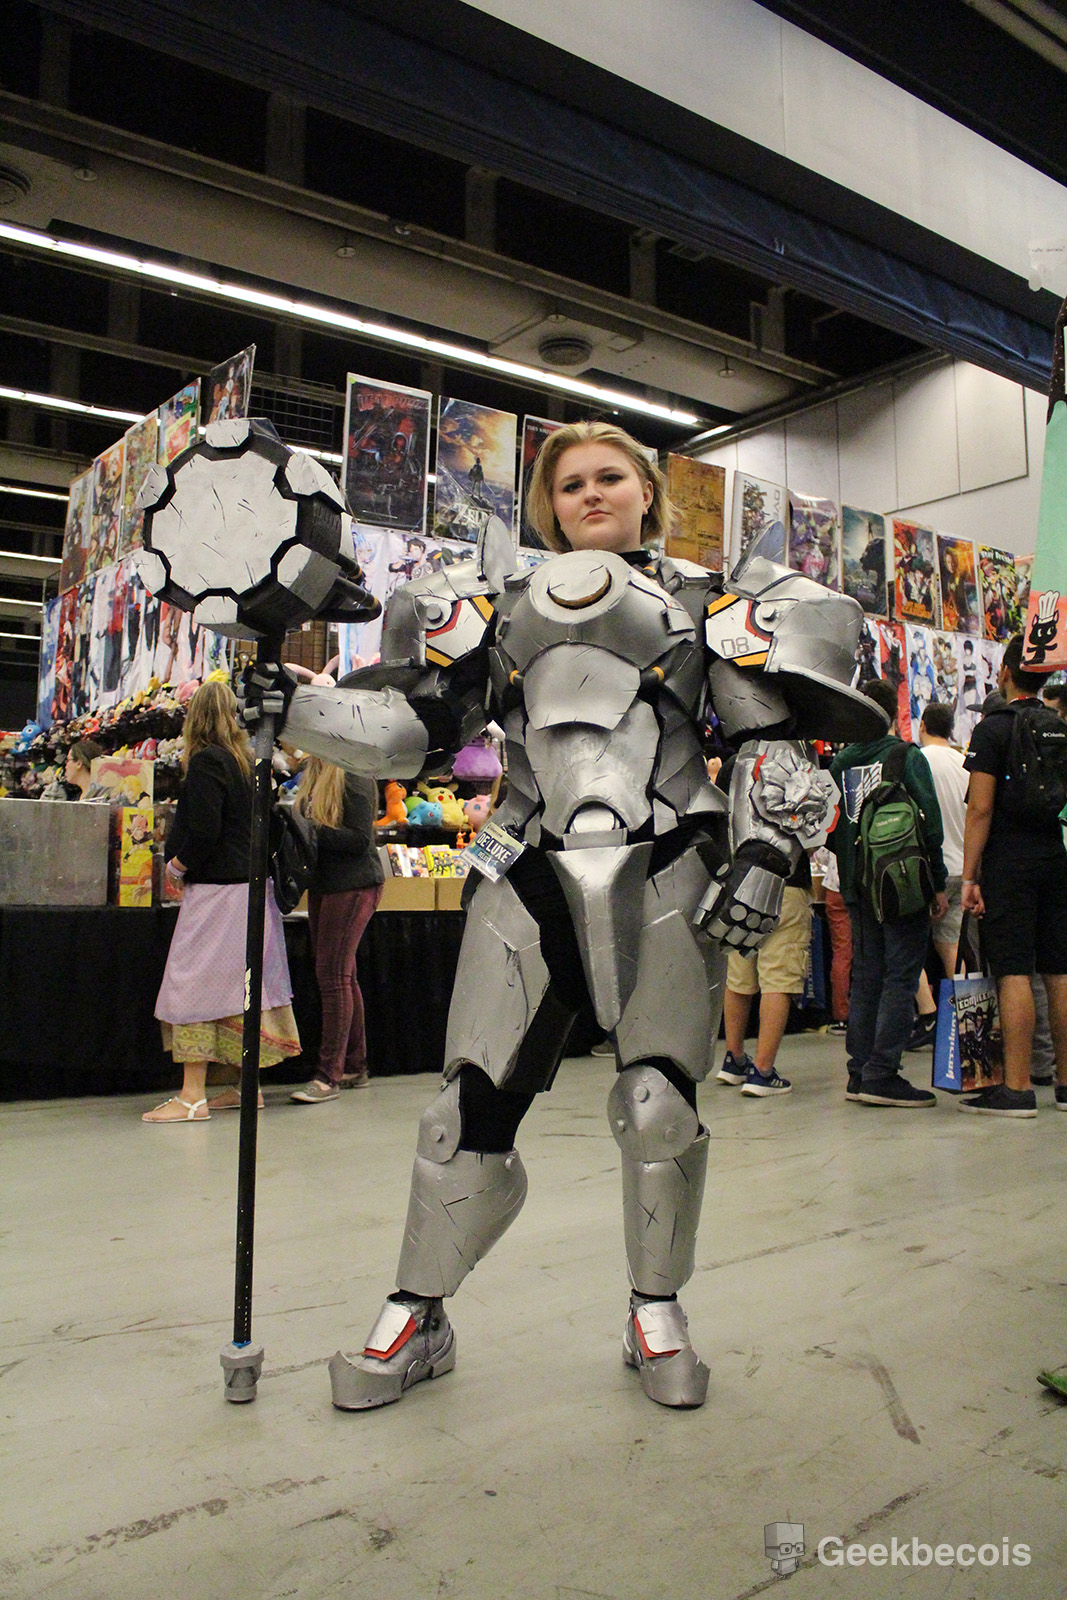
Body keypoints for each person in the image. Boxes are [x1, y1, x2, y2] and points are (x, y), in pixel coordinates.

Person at [248, 419, 880, 1411]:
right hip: (524, 867)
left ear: (645, 491)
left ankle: (654, 1310)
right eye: (570, 481)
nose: (590, 493)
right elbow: (419, 732)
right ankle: (417, 1310)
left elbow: (767, 739)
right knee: (463, 1113)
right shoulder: (492, 607)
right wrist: (295, 709)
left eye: (609, 476)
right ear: (547, 504)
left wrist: (763, 852)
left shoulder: (709, 604)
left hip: (667, 861)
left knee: (658, 1107)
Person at [144, 680, 301, 1123]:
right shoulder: (249, 761)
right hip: (252, 891)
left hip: (217, 894)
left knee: (191, 984)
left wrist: (176, 866)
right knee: (243, 989)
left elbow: (204, 829)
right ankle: (247, 1088)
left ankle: (192, 1095)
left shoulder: (208, 761)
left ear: (194, 718)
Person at [957, 635, 1067, 1116]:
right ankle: (1066, 1084)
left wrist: (969, 876)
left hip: (1009, 863)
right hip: (1054, 855)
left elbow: (980, 808)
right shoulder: (1057, 726)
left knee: (1014, 970)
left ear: (1003, 671)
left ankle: (1017, 1087)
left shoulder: (993, 729)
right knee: (1059, 971)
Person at [829, 678, 949, 1107]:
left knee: (867, 975)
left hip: (855, 884)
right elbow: (929, 823)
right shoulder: (904, 756)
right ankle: (883, 1073)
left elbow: (828, 827)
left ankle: (860, 1071)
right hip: (901, 882)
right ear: (892, 714)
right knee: (901, 975)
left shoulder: (840, 764)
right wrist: (936, 881)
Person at [289, 758, 384, 1104]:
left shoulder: (354, 773)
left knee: (333, 977)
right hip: (327, 884)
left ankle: (329, 1075)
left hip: (353, 885)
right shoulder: (316, 772)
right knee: (342, 976)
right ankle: (354, 1066)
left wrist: (310, 830)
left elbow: (359, 839)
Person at [717, 754, 812, 1095]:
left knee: (738, 974)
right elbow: (814, 828)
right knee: (778, 978)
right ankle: (763, 1071)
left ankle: (734, 1058)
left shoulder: (734, 763)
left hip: (739, 880)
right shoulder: (797, 762)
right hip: (787, 880)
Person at [908, 702, 969, 1049]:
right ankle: (967, 1018)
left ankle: (929, 1014)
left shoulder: (919, 761)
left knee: (909, 944)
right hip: (962, 868)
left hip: (932, 869)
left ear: (922, 727)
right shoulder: (964, 763)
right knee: (953, 949)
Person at [812, 845, 850, 1033]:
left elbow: (820, 855)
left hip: (835, 887)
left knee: (842, 954)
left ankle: (841, 1016)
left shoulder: (838, 827)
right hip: (866, 887)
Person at [40, 738, 108, 801]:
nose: (66, 766)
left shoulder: (104, 796)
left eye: (68, 760)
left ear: (79, 763)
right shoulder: (78, 796)